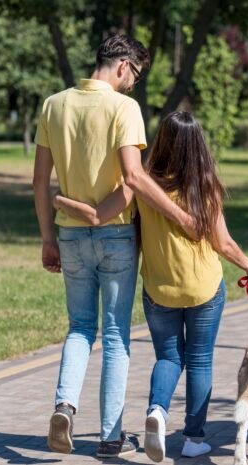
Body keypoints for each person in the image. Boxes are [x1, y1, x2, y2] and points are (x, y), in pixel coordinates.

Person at [53, 111, 248, 462]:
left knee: (169, 357)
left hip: (159, 289)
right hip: (204, 290)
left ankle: (157, 413)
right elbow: (223, 243)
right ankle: (194, 438)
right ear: (198, 146)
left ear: (162, 142)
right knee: (199, 361)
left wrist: (60, 200)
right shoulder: (205, 186)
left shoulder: (140, 185)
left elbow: (98, 215)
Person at [32, 36, 196, 459]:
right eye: (135, 76)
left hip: (68, 235)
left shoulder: (54, 104)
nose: (132, 86)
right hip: (117, 235)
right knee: (117, 335)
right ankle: (109, 437)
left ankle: (64, 406)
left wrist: (48, 238)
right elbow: (134, 178)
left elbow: (38, 182)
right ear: (123, 66)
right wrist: (181, 218)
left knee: (80, 327)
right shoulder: (124, 109)